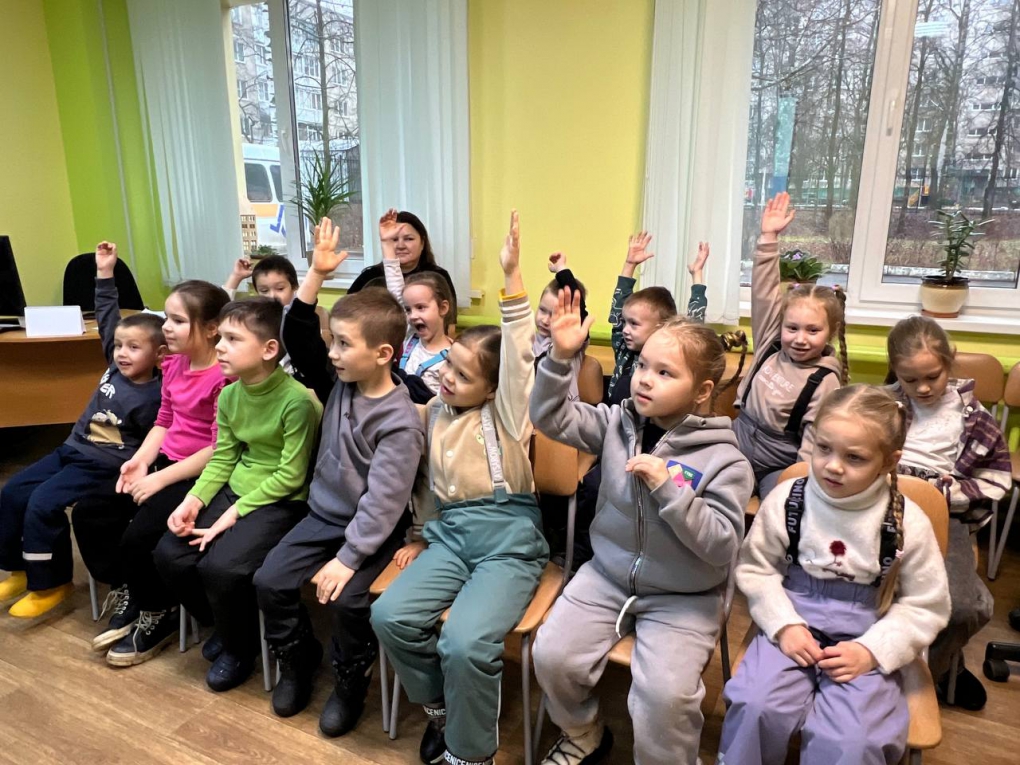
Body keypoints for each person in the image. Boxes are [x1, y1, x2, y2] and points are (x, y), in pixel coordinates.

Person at [530, 289, 753, 765]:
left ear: (702, 392)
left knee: (665, 699)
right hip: (607, 576)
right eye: (643, 365)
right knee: (551, 655)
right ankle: (583, 734)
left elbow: (721, 547)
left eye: (665, 373)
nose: (645, 379)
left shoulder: (726, 461)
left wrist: (669, 490)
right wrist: (561, 358)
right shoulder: (617, 424)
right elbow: (548, 416)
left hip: (684, 595)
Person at [371, 210, 548, 765]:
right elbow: (425, 487)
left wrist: (512, 278)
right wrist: (419, 535)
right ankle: (443, 708)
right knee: (390, 616)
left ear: (494, 389)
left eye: (465, 375)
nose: (448, 376)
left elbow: (518, 356)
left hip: (508, 544)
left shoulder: (507, 416)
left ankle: (470, 754)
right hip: (448, 538)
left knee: (465, 642)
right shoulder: (431, 414)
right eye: (450, 364)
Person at [719, 385, 951, 765]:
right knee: (755, 706)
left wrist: (872, 650)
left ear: (889, 461)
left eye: (854, 457)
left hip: (867, 637)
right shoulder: (787, 499)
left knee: (852, 740)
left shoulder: (908, 521)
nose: (833, 466)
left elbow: (926, 605)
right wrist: (783, 625)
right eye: (823, 448)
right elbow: (756, 569)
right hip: (793, 624)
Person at [254, 218, 424, 735]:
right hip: (323, 516)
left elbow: (383, 503)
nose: (332, 353)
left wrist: (348, 559)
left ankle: (351, 681)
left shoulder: (401, 422)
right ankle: (299, 658)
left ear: (383, 354)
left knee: (351, 603)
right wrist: (316, 275)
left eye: (344, 344)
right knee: (269, 580)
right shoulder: (340, 383)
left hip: (376, 531)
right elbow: (298, 336)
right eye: (334, 342)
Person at [153, 297, 322, 692]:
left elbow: (291, 476)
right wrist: (193, 500)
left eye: (233, 339)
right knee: (170, 554)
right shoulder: (230, 395)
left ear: (269, 349)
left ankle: (239, 649)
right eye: (221, 338)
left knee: (222, 568)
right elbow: (224, 458)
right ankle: (228, 625)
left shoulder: (297, 401)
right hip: (238, 489)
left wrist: (235, 512)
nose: (221, 347)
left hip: (280, 501)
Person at [0, 242, 165, 618]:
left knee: (43, 503)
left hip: (101, 464)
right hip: (71, 449)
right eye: (119, 346)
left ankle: (50, 584)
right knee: (12, 492)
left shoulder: (158, 393)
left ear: (159, 355)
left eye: (134, 348)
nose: (122, 353)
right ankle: (19, 570)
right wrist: (104, 273)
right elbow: (107, 316)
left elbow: (157, 439)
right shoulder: (115, 364)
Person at [80, 279, 231, 664]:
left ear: (211, 328)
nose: (166, 328)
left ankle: (158, 612)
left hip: (200, 475)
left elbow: (219, 449)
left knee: (139, 536)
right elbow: (164, 420)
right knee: (91, 511)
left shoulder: (224, 376)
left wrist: (160, 478)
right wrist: (142, 461)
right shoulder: (175, 363)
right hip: (164, 462)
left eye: (178, 320)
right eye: (167, 318)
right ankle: (131, 587)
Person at [886, 315, 1010, 711]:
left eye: (932, 376)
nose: (922, 388)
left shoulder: (974, 419)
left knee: (964, 608)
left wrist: (948, 493)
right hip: (881, 509)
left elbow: (995, 479)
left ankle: (937, 669)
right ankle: (879, 665)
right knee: (866, 589)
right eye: (910, 379)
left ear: (950, 361)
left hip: (943, 515)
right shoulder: (883, 406)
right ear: (896, 372)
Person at [732, 192, 847, 496]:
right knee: (702, 483)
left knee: (784, 505)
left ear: (830, 333)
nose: (799, 338)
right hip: (738, 440)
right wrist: (768, 238)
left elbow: (814, 442)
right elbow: (764, 293)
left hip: (779, 461)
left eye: (813, 330)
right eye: (792, 328)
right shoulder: (771, 342)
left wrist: (797, 486)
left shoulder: (825, 380)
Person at [605, 234, 710, 406]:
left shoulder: (670, 356)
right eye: (624, 322)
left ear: (661, 327)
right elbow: (619, 307)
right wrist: (630, 264)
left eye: (634, 324)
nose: (624, 329)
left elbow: (694, 329)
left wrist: (697, 274)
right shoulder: (624, 349)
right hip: (616, 417)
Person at [379, 208, 455, 403]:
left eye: (421, 308)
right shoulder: (409, 338)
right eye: (408, 309)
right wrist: (387, 243)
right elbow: (396, 291)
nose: (412, 315)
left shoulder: (453, 358)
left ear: (443, 308)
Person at [222, 254, 330, 377]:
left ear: (294, 287)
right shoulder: (254, 318)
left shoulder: (302, 321)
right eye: (264, 291)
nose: (272, 296)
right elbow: (221, 315)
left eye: (280, 288)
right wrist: (236, 277)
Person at [347, 210, 458, 315]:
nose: (401, 246)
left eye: (408, 239)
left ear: (422, 243)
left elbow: (449, 323)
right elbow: (347, 315)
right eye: (394, 239)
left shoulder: (438, 277)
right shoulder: (369, 277)